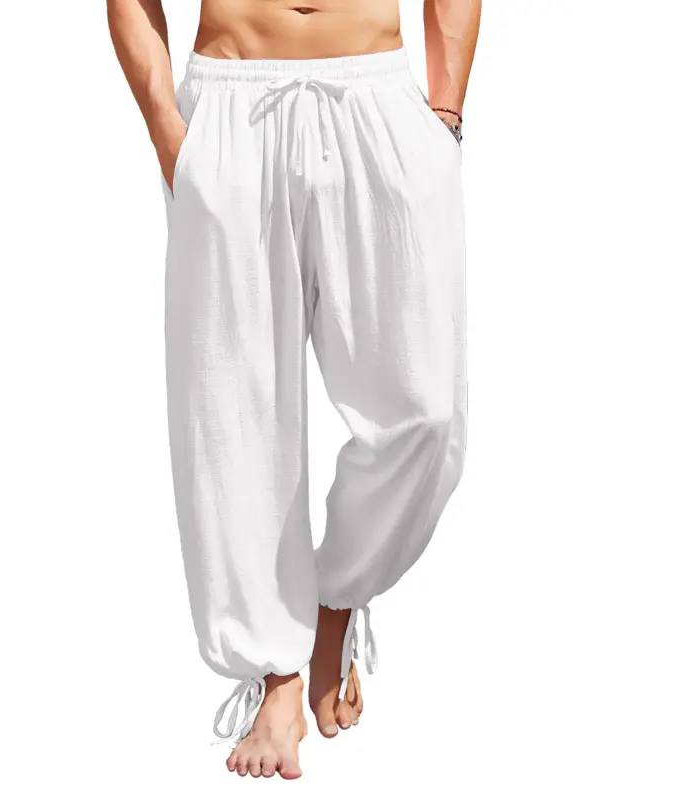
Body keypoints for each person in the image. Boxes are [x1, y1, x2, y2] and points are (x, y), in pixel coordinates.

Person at [107, 0, 480, 780]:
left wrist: (444, 119)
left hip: (377, 97)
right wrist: (169, 134)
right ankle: (275, 673)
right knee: (232, 409)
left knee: (425, 413)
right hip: (233, 101)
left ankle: (335, 596)